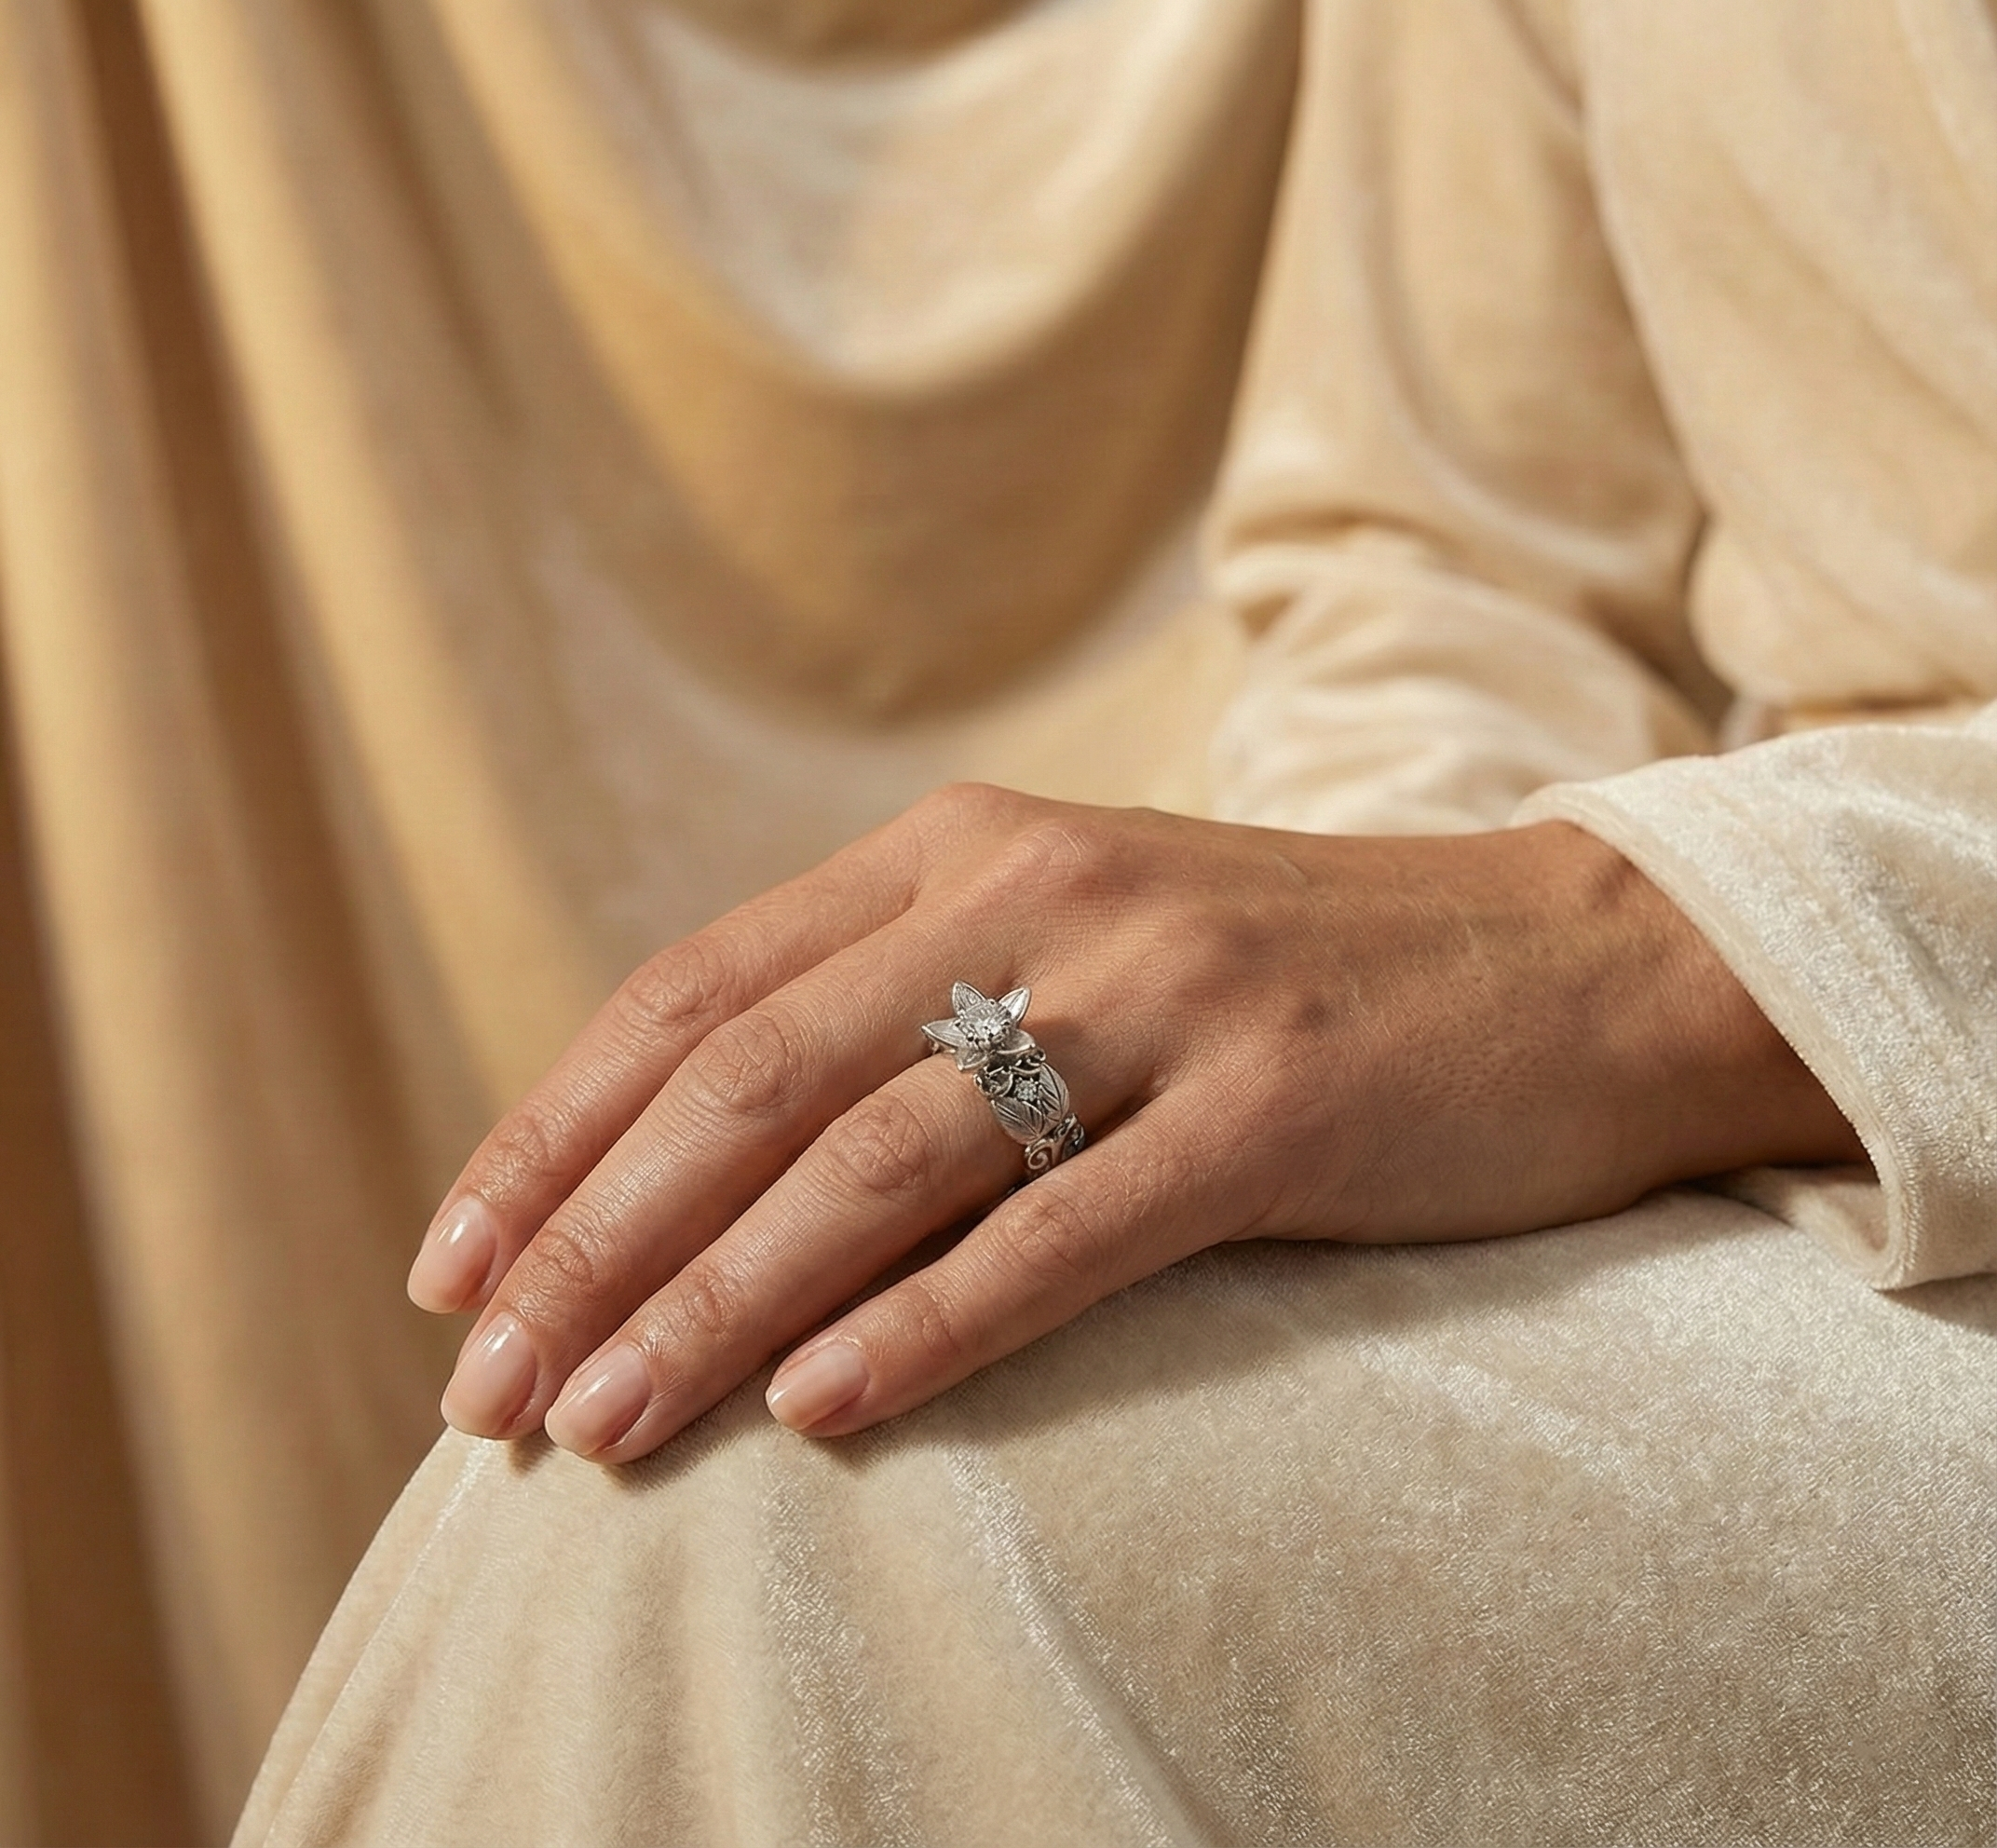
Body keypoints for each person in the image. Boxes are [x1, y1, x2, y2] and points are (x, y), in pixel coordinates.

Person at [236, 0, 1996, 1842]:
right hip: (1753, 1181)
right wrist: (1285, 1069)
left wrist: (1652, 957)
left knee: (819, 1538)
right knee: (717, 1431)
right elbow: (1456, 559)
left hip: (1866, 1108)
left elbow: (1587, 928)